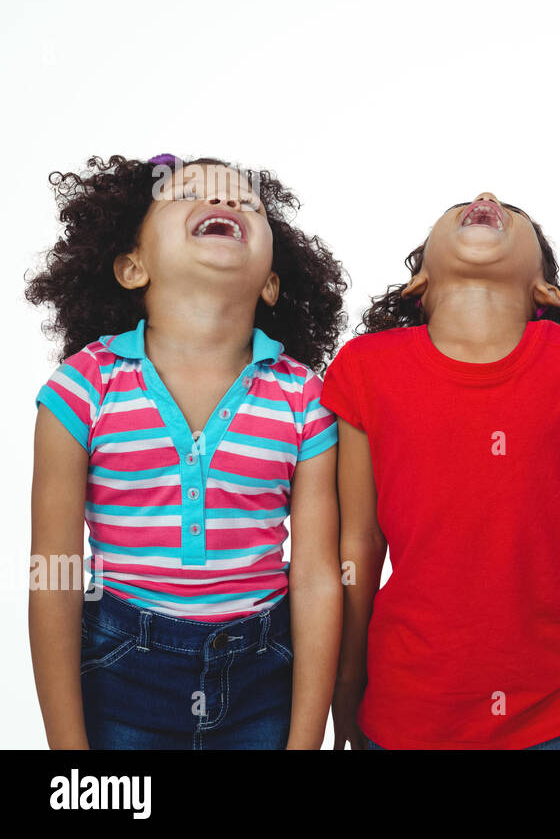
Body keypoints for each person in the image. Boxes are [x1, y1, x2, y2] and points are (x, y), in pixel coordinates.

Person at [28, 153, 346, 749]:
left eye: (245, 201)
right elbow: (54, 574)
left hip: (263, 679)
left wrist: (305, 743)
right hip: (121, 676)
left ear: (272, 281)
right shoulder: (82, 388)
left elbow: (316, 577)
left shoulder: (304, 397)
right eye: (189, 193)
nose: (225, 201)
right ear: (132, 266)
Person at [324, 191, 560, 750]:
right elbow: (360, 539)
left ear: (545, 289)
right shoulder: (365, 368)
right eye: (462, 202)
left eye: (511, 210)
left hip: (547, 710)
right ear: (418, 283)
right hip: (401, 708)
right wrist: (346, 678)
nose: (486, 197)